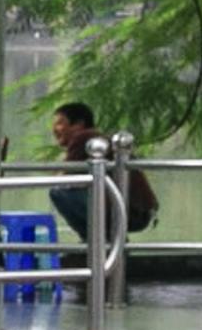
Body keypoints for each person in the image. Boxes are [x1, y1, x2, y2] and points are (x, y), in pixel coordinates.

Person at [46, 101, 157, 257]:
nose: (55, 129)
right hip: (140, 211)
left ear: (78, 124)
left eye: (60, 123)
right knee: (68, 190)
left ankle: (97, 242)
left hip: (130, 211)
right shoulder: (95, 138)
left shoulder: (84, 138)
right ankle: (107, 242)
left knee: (58, 192)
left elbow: (63, 178)